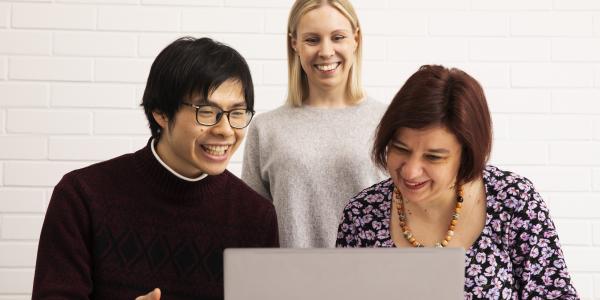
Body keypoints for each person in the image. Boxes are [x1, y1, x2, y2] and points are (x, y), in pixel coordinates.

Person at [32, 37, 279, 300]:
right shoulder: (82, 196)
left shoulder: (256, 217)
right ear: (160, 112)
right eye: (207, 112)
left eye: (237, 113)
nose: (226, 130)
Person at [336, 65, 579, 299]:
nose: (410, 171)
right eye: (400, 149)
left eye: (433, 157)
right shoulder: (362, 213)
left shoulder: (514, 201)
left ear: (466, 155)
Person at [242, 0, 386, 248]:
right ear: (294, 43)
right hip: (289, 282)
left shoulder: (388, 122)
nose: (326, 51)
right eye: (312, 39)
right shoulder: (266, 129)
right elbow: (249, 228)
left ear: (356, 39)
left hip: (372, 281)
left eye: (338, 37)